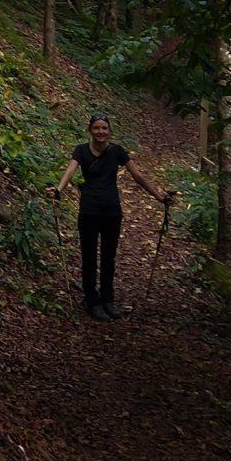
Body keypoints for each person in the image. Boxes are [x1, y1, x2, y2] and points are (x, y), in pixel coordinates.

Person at [44, 115, 174, 321]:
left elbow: (137, 176)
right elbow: (69, 171)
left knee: (108, 257)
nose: (101, 132)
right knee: (89, 256)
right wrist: (58, 190)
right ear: (90, 130)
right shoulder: (81, 150)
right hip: (89, 210)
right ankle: (92, 301)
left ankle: (107, 299)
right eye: (96, 128)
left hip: (112, 211)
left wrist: (159, 196)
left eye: (104, 128)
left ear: (109, 130)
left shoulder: (117, 151)